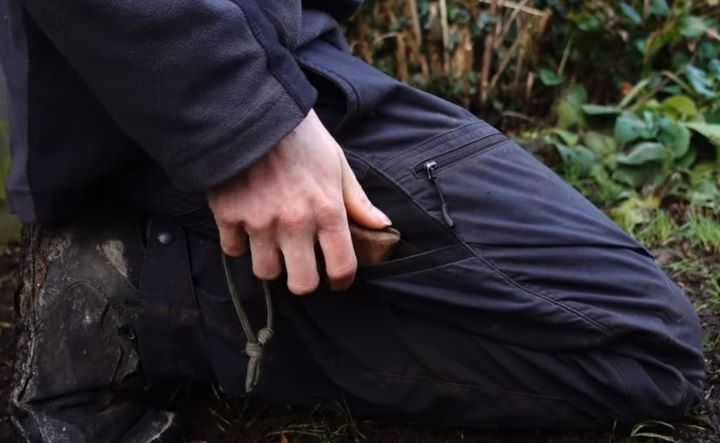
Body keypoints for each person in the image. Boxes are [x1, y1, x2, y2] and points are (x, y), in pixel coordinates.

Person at [0, 0, 705, 441]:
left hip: (287, 50)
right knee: (643, 346)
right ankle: (149, 294)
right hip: (197, 81)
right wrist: (247, 123)